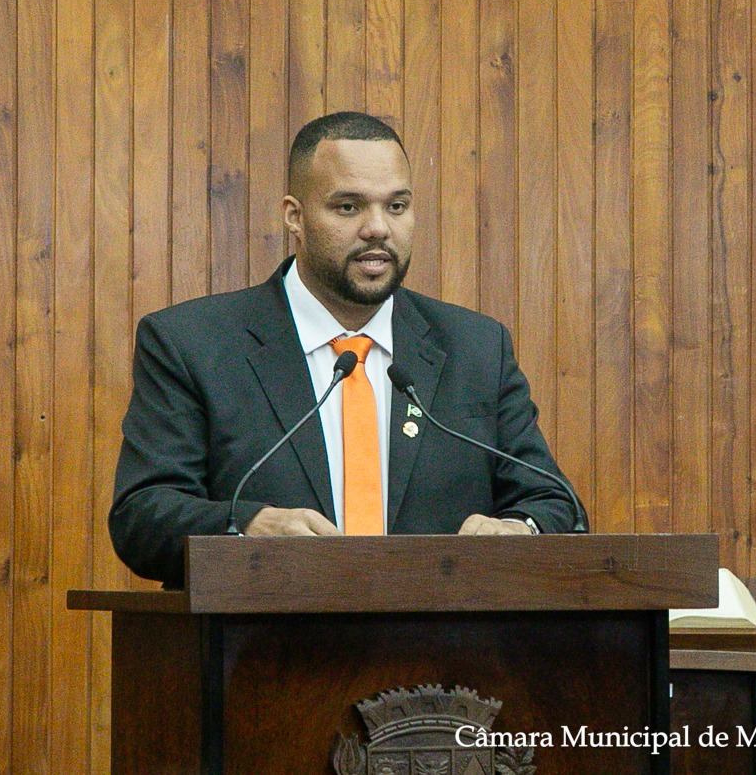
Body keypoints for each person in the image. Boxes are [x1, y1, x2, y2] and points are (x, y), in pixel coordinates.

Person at [110, 112, 586, 584]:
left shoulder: (475, 348)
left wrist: (519, 529)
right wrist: (247, 525)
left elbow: (553, 500)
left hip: (447, 651)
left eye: (396, 207)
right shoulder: (193, 343)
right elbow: (143, 515)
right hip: (264, 649)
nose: (378, 228)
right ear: (294, 216)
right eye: (349, 207)